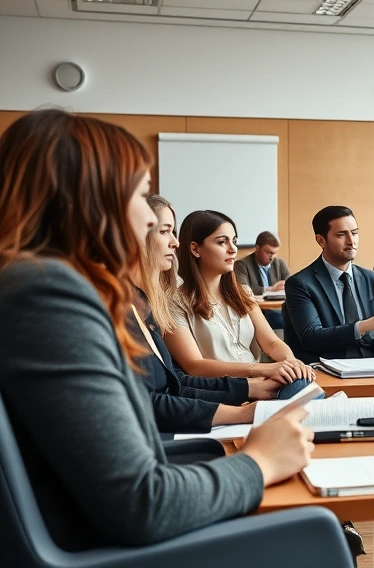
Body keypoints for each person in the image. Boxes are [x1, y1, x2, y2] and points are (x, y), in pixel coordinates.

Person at [0, 109, 315, 551]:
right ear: (89, 202)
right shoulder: (48, 293)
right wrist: (260, 461)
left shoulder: (45, 285)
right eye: (138, 197)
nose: (150, 223)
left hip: (106, 529)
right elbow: (143, 505)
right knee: (314, 523)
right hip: (108, 549)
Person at [130, 195, 283, 433]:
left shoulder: (147, 304)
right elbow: (186, 374)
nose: (175, 242)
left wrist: (287, 367)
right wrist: (248, 395)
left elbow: (175, 387)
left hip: (249, 392)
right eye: (165, 231)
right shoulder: (164, 304)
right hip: (216, 405)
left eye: (234, 241)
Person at [164, 210, 317, 400]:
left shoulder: (243, 293)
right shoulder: (174, 302)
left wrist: (291, 363)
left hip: (262, 385)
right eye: (222, 242)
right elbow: (194, 366)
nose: (233, 249)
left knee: (306, 387)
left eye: (234, 241)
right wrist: (264, 370)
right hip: (221, 394)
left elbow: (272, 342)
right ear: (195, 249)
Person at [284, 206, 374, 363]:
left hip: (373, 364)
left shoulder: (373, 279)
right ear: (321, 240)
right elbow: (311, 338)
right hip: (328, 365)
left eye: (355, 233)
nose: (351, 241)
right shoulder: (300, 283)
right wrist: (363, 326)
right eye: (341, 235)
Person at [234, 231, 290, 296]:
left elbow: (291, 286)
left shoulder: (280, 264)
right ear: (257, 249)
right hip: (254, 305)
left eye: (275, 253)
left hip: (278, 305)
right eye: (269, 253)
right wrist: (271, 289)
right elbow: (243, 290)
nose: (272, 257)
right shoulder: (241, 265)